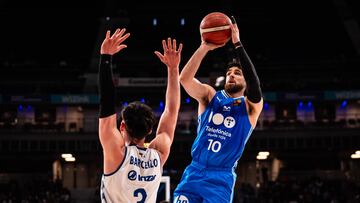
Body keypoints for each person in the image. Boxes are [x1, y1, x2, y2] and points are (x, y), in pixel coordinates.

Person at [173, 16, 263, 202]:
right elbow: (184, 80)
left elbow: (255, 87)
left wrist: (237, 44)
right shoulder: (210, 96)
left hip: (220, 179)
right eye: (229, 73)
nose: (231, 75)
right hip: (194, 171)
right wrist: (203, 48)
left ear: (246, 82)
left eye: (237, 73)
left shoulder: (250, 107)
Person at [97, 28, 182, 203]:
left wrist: (105, 57)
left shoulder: (116, 154)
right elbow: (171, 110)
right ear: (150, 129)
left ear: (122, 126)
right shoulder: (158, 154)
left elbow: (106, 101)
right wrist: (173, 69)